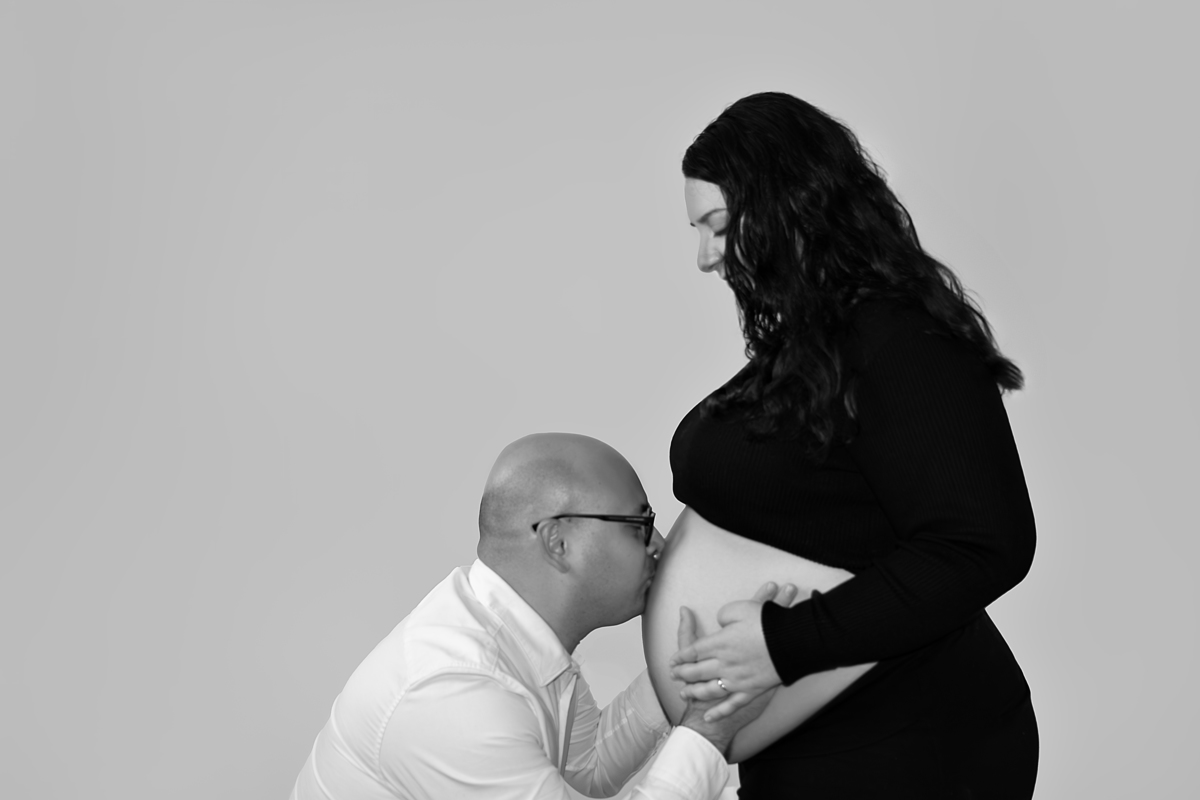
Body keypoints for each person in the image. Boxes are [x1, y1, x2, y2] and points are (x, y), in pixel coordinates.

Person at [660, 92, 1039, 798]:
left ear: (788, 208)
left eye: (719, 227)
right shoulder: (816, 346)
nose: (706, 259)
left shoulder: (906, 343)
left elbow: (985, 544)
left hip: (911, 745)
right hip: (821, 743)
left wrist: (783, 645)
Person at [289, 432, 792, 800]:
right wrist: (708, 729)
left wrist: (687, 669)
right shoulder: (453, 689)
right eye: (640, 524)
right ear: (558, 541)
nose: (659, 545)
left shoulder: (513, 637)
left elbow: (586, 768)